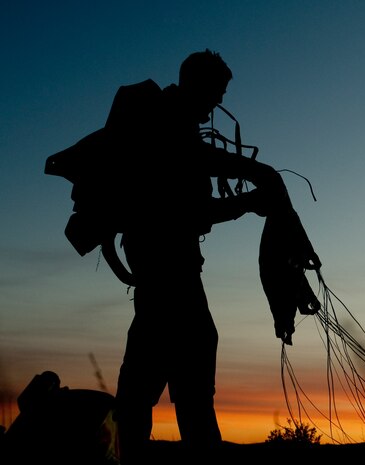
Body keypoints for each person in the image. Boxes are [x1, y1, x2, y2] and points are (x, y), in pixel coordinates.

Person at [105, 49, 282, 464]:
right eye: (215, 92)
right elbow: (191, 207)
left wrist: (248, 193)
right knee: (181, 377)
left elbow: (194, 205)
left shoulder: (170, 126)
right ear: (196, 85)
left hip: (163, 271)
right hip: (170, 272)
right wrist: (253, 192)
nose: (216, 102)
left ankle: (124, 457)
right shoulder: (168, 126)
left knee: (149, 378)